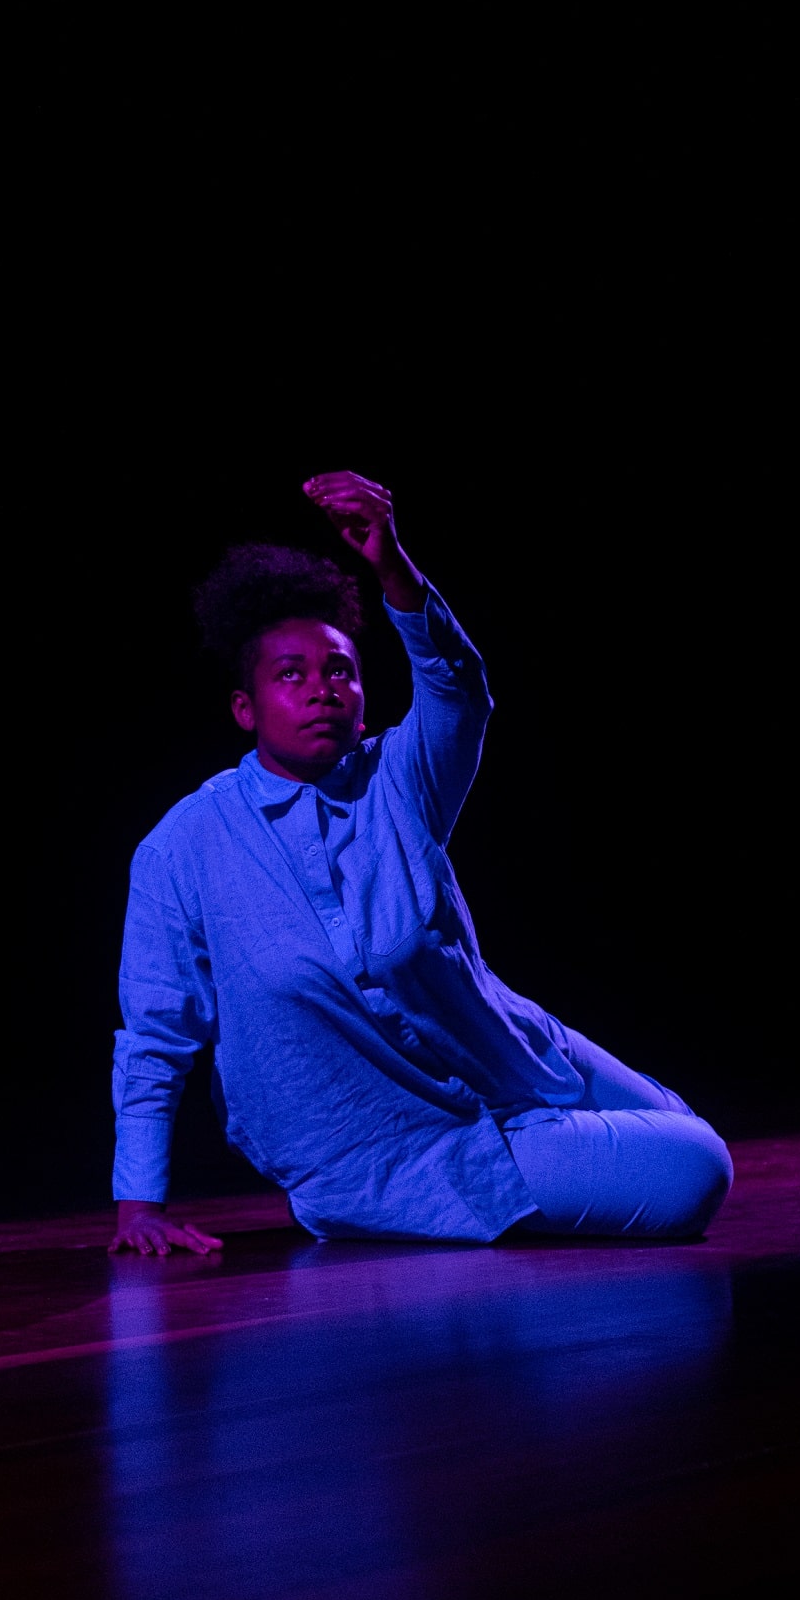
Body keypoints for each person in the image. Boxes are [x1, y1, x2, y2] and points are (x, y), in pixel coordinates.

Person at [111, 471, 732, 1258]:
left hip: (509, 1054)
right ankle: (477, 1174)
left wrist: (391, 562)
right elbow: (156, 1034)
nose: (321, 690)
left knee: (681, 1126)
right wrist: (138, 1205)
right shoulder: (183, 846)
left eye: (339, 669)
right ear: (245, 709)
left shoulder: (397, 780)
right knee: (697, 1169)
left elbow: (457, 689)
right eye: (290, 675)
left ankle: (540, 1134)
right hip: (391, 1147)